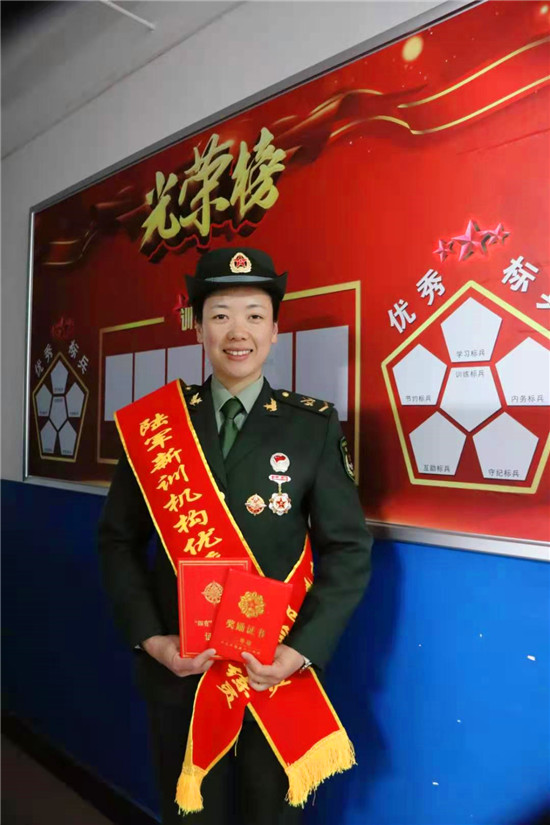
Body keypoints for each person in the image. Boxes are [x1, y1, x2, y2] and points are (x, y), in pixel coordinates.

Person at [98, 247, 372, 825]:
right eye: (220, 315)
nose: (237, 332)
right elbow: (117, 542)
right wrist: (152, 641)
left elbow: (347, 550)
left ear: (275, 330)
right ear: (198, 328)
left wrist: (300, 652)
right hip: (183, 674)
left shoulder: (312, 424)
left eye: (254, 315)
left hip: (275, 673)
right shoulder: (156, 426)